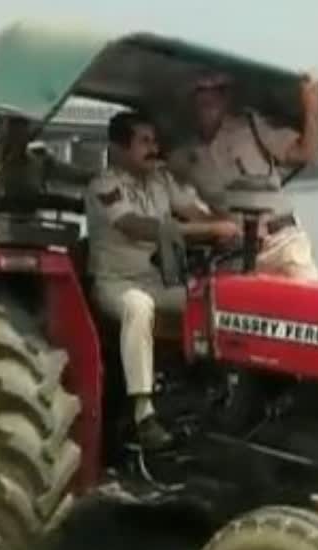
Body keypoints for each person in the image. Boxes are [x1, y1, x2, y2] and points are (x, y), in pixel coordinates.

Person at [86, 111, 240, 451]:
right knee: (138, 307)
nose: (154, 149)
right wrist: (208, 230)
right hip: (116, 284)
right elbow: (134, 226)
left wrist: (228, 224)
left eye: (155, 141)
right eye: (144, 141)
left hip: (157, 282)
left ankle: (219, 389)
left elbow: (195, 212)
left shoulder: (160, 181)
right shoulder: (104, 185)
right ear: (119, 148)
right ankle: (144, 414)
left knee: (211, 300)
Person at [167, 71, 318, 280]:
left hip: (282, 242)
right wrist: (209, 224)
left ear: (228, 98)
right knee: (214, 303)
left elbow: (308, 153)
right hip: (234, 253)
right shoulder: (183, 156)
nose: (210, 97)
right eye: (201, 90)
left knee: (309, 300)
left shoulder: (252, 127)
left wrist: (311, 103)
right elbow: (165, 193)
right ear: (191, 99)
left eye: (218, 91)